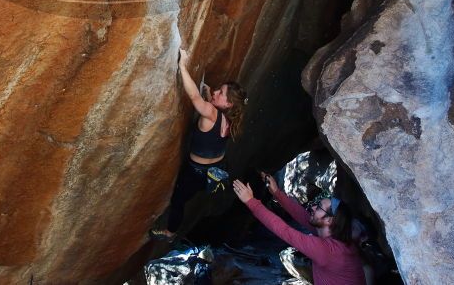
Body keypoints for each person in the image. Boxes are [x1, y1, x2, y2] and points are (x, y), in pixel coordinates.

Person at [150, 47, 248, 241]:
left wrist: (182, 66)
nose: (217, 91)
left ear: (227, 104)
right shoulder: (230, 120)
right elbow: (210, 115)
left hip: (195, 172)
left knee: (178, 200)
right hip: (214, 170)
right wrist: (209, 94)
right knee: (190, 193)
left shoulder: (211, 112)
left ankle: (170, 233)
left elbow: (195, 98)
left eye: (221, 93)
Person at [233, 173, 366, 285]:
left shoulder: (328, 251)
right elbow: (303, 216)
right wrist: (276, 193)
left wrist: (251, 202)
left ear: (329, 220)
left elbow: (285, 231)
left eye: (318, 207)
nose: (312, 208)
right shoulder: (335, 237)